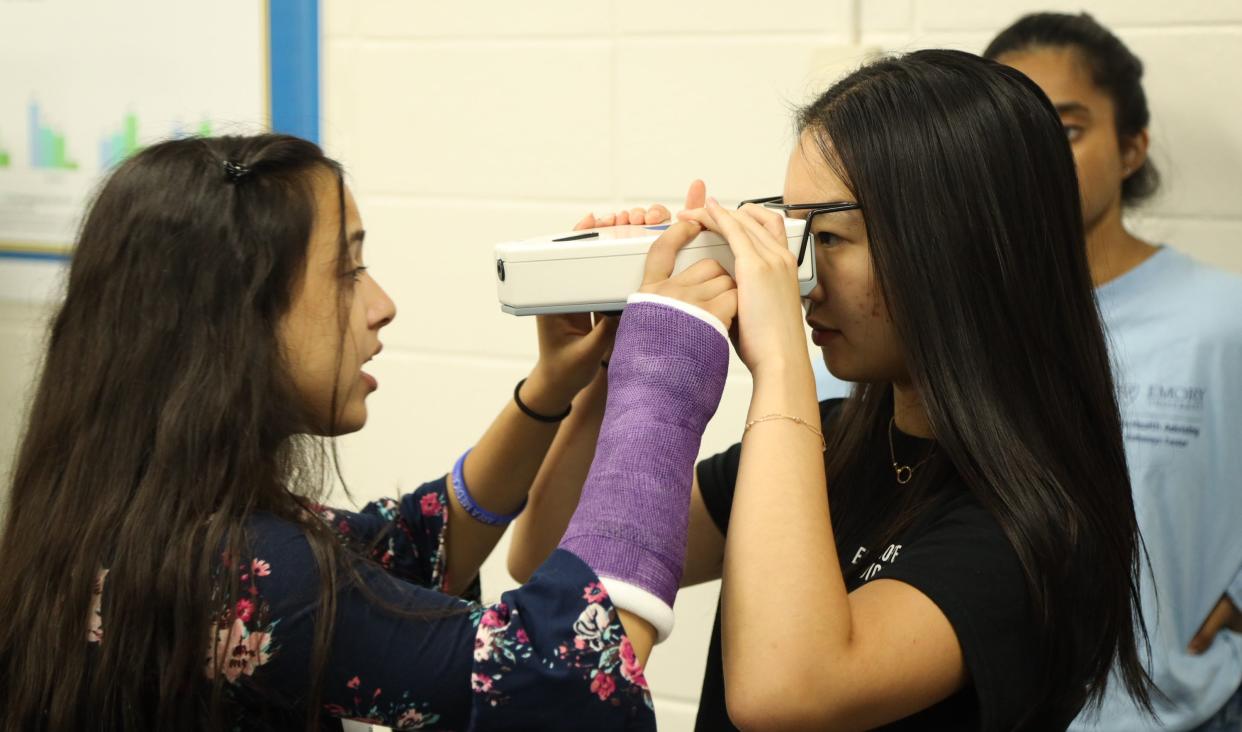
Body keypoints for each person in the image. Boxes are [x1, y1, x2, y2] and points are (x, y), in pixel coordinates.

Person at [0, 133, 741, 730]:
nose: (381, 305)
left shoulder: (131, 519)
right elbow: (566, 677)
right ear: (237, 321)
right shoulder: (241, 574)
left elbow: (406, 549)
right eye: (347, 271)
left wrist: (559, 386)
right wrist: (663, 373)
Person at [510, 49, 1157, 729]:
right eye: (795, 232)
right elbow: (555, 563)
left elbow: (785, 692)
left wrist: (779, 363)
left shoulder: (1035, 527)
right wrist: (613, 370)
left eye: (830, 238)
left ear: (954, 248)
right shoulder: (827, 441)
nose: (801, 274)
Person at [985, 13, 1242, 731]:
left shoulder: (1223, 320)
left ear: (1131, 149)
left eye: (1065, 130)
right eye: (1013, 133)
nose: (1035, 157)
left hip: (1174, 712)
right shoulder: (943, 326)